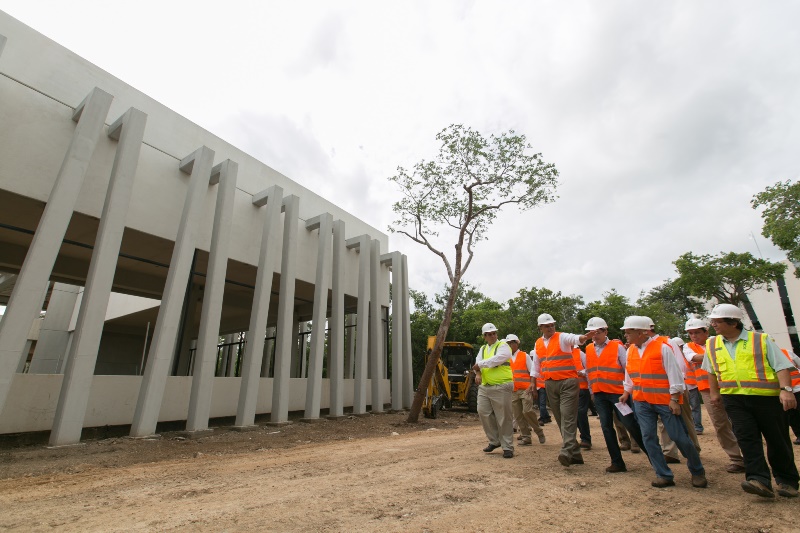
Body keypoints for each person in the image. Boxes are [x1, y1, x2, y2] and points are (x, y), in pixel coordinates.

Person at [703, 304, 800, 498]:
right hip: (734, 400)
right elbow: (711, 371)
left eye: (717, 321)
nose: (713, 324)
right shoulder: (712, 344)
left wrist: (786, 390)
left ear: (733, 322)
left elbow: (781, 366)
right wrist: (715, 393)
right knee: (747, 439)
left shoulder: (761, 340)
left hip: (766, 399)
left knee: (777, 439)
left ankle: (787, 481)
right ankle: (759, 480)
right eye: (713, 321)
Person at [620, 316, 707, 489]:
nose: (626, 335)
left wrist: (675, 399)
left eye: (628, 332)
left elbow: (675, 374)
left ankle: (697, 471)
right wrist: (626, 392)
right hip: (642, 401)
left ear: (640, 332)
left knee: (679, 437)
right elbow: (630, 375)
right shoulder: (630, 351)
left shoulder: (662, 348)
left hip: (664, 401)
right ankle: (663, 474)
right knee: (648, 438)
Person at [583, 316, 647, 473]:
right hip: (599, 394)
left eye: (598, 331)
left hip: (618, 394)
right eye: (592, 332)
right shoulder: (589, 349)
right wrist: (592, 391)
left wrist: (628, 391)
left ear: (606, 331)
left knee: (630, 424)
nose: (595, 335)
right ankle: (617, 462)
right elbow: (590, 372)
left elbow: (628, 369)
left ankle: (653, 456)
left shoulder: (617, 347)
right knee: (606, 427)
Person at [532, 313, 596, 467]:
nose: (551, 327)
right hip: (550, 384)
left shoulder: (561, 337)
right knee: (560, 418)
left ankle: (566, 451)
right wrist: (533, 384)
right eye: (547, 325)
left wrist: (583, 337)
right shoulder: (538, 343)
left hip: (568, 382)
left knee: (568, 416)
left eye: (552, 324)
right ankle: (575, 454)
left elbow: (574, 338)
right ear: (540, 327)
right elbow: (536, 365)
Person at [683, 317, 745, 473]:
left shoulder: (717, 340)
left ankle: (748, 455)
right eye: (690, 333)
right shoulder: (689, 347)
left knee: (740, 421)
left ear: (706, 331)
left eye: (697, 332)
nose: (693, 336)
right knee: (721, 424)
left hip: (731, 387)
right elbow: (694, 358)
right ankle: (736, 458)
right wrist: (719, 355)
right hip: (707, 390)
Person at [472, 323, 515, 458]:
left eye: (494, 333)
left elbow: (496, 360)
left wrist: (480, 365)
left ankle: (507, 446)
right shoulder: (483, 349)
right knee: (483, 412)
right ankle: (494, 440)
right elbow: (476, 363)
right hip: (485, 386)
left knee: (504, 417)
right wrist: (478, 373)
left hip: (502, 385)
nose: (492, 335)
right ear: (484, 336)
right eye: (489, 334)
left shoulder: (503, 345)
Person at [506, 334, 546, 445]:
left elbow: (532, 371)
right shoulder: (506, 358)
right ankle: (526, 437)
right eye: (509, 343)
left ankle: (539, 431)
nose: (511, 344)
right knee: (518, 415)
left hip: (526, 389)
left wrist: (533, 387)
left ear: (517, 343)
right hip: (513, 390)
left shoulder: (525, 356)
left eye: (513, 342)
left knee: (527, 411)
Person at [574, 345, 592, 450]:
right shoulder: (562, 355)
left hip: (582, 389)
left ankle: (586, 439)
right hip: (569, 390)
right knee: (573, 415)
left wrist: (581, 373)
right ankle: (581, 437)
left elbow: (589, 369)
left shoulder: (580, 354)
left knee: (581, 412)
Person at [780, 348, 800, 445]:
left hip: (797, 388)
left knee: (792, 414)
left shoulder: (786, 352)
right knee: (792, 415)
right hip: (784, 392)